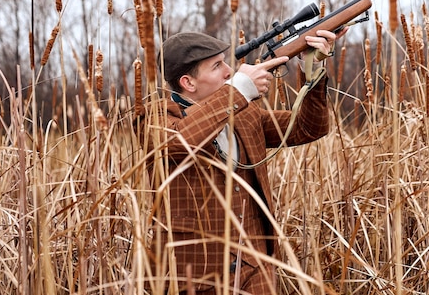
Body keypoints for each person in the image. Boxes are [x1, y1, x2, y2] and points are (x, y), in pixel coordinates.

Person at [143, 28, 343, 294]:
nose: (229, 71)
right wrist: (237, 92)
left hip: (256, 266)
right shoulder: (153, 119)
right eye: (217, 66)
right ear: (188, 83)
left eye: (226, 62)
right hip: (194, 277)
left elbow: (309, 127)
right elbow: (180, 142)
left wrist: (312, 69)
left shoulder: (246, 114)